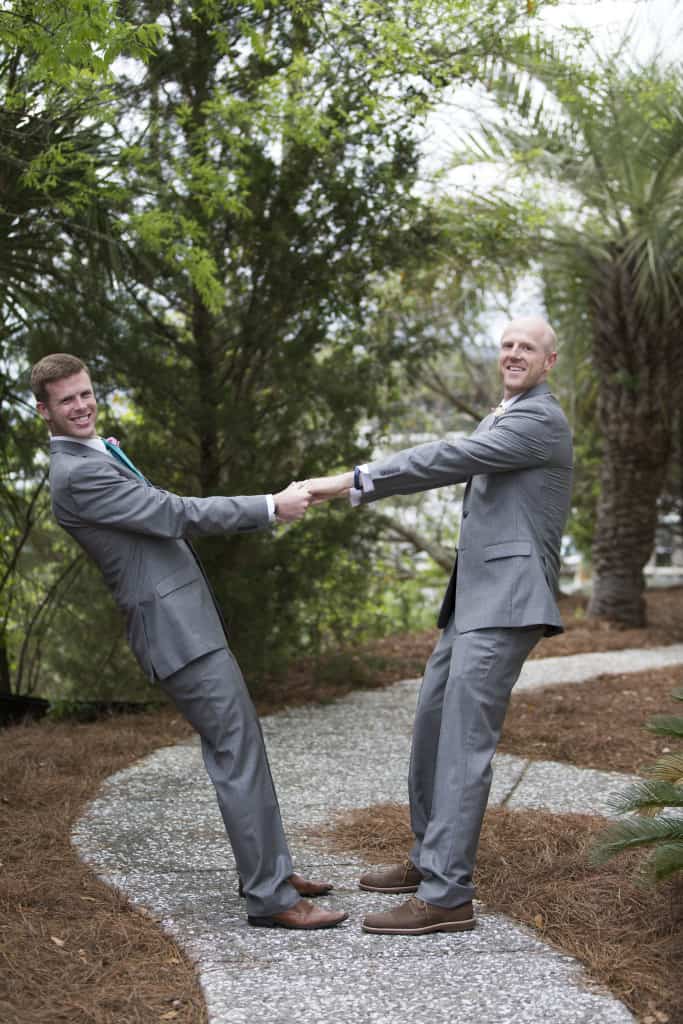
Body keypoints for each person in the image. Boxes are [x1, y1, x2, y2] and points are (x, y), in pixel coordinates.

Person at [31, 352, 347, 931]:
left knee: (241, 743)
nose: (81, 406)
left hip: (186, 623)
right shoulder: (78, 473)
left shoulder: (94, 453)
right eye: (66, 400)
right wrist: (270, 507)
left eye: (85, 393)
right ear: (44, 411)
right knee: (235, 750)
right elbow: (170, 514)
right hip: (175, 633)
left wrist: (114, 451)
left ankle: (271, 870)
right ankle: (272, 897)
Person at [307, 317, 573, 935]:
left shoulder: (540, 420)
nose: (513, 354)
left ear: (549, 361)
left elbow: (447, 459)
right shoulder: (504, 412)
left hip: (507, 601)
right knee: (431, 725)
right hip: (473, 600)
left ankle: (448, 893)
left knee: (462, 744)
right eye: (506, 345)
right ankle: (430, 860)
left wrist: (353, 481)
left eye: (526, 348)